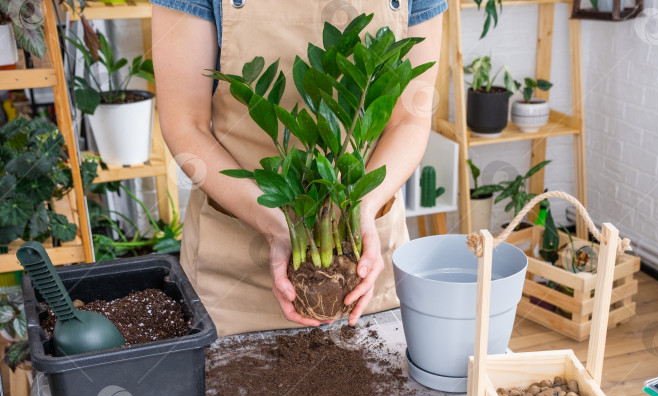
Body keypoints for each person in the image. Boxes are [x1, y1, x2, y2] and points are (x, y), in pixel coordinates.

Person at [151, 0, 446, 336]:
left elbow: (409, 120)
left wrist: (361, 209)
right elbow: (186, 124)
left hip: (363, 263)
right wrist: (277, 227)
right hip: (235, 275)